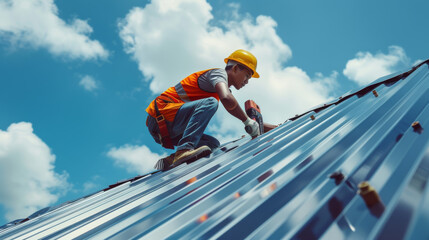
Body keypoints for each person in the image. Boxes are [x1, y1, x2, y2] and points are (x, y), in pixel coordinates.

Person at [146, 49, 278, 170]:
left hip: (169, 129)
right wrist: (247, 121)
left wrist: (271, 127)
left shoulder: (222, 89)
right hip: (160, 117)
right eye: (247, 76)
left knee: (212, 144)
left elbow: (233, 106)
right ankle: (184, 150)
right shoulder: (218, 74)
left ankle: (172, 159)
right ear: (236, 68)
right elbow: (227, 99)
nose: (247, 82)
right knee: (211, 103)